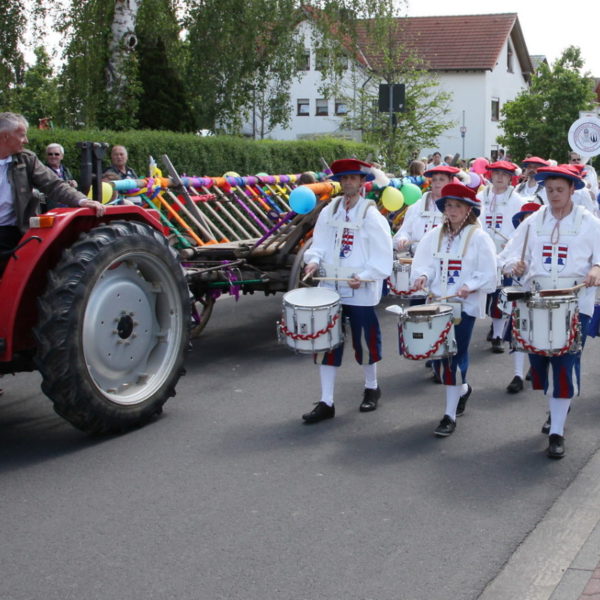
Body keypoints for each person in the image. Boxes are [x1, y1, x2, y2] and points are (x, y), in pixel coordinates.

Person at [500, 165, 600, 458]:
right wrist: (513, 266)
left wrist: (596, 267)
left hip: (574, 304)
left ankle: (557, 431)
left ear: (572, 190)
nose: (554, 195)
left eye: (560, 189)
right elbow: (507, 256)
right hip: (537, 302)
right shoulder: (532, 222)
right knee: (541, 365)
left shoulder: (590, 223)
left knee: (565, 364)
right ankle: (558, 406)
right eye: (549, 189)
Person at [301, 158, 393, 423]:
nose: (348, 183)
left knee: (364, 340)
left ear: (362, 182)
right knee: (326, 342)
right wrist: (313, 260)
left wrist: (365, 276)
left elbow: (382, 254)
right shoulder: (330, 210)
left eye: (353, 178)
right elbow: (319, 242)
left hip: (360, 289)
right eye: (344, 179)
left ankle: (372, 387)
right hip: (331, 286)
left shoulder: (371, 214)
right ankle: (326, 401)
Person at [411, 183, 497, 437]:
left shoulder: (479, 237)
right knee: (438, 359)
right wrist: (422, 277)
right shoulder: (434, 235)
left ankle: (448, 416)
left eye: (457, 206)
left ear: (468, 209)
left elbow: (489, 273)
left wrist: (470, 285)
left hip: (464, 308)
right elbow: (425, 263)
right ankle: (462, 389)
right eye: (448, 205)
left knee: (454, 357)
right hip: (437, 304)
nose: (451, 210)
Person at [0, 112, 105, 274]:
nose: (26, 141)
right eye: (21, 135)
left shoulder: (26, 160)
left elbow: (54, 184)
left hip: (12, 232)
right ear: (5, 136)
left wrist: (82, 200)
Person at [477, 161, 525, 352]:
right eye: (496, 173)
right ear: (490, 175)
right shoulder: (480, 197)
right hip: (483, 253)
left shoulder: (518, 200)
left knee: (500, 295)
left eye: (504, 174)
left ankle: (497, 335)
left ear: (510, 178)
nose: (499, 177)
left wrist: (512, 244)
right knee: (482, 294)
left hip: (505, 254)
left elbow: (522, 227)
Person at [497, 202, 542, 393]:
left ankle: (535, 365)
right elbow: (504, 262)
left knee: (537, 334)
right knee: (518, 335)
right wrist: (514, 267)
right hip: (519, 294)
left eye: (532, 217)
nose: (528, 221)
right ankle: (517, 375)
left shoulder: (545, 240)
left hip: (540, 295)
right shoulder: (516, 242)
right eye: (525, 218)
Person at [393, 165, 460, 255]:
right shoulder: (416, 207)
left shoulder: (459, 208)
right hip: (417, 262)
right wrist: (402, 239)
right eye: (434, 179)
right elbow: (404, 231)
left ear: (450, 181)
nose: (437, 183)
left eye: (441, 179)